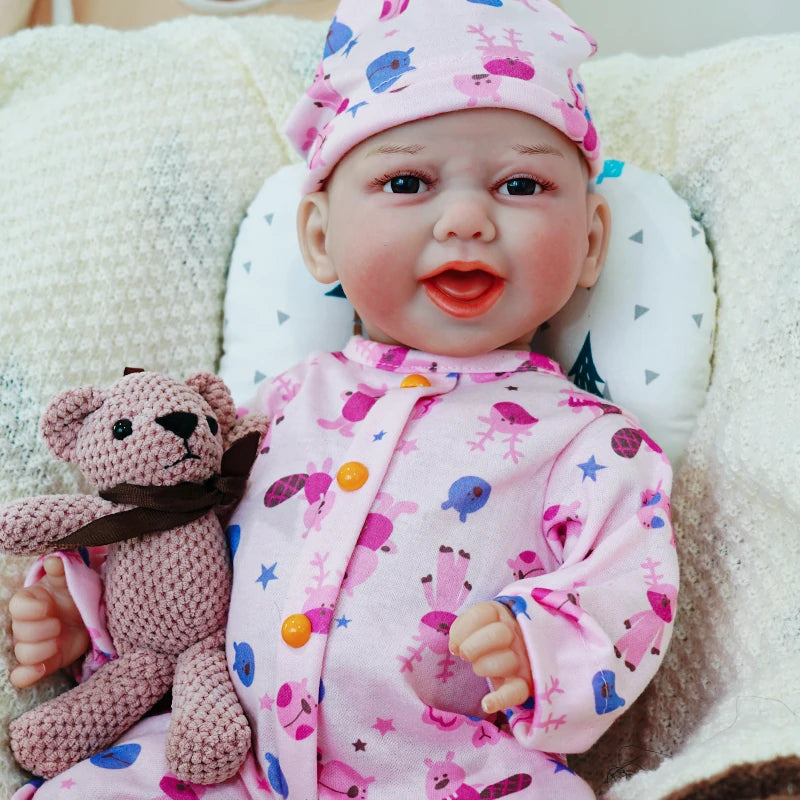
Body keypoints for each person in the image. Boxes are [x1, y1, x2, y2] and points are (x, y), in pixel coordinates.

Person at [8, 1, 678, 797]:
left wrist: (537, 643)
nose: (466, 218)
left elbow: (632, 590)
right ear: (321, 237)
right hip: (226, 756)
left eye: (521, 184)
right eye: (407, 182)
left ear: (592, 241)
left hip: (444, 773)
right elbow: (175, 536)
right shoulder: (286, 402)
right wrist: (78, 609)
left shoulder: (591, 443)